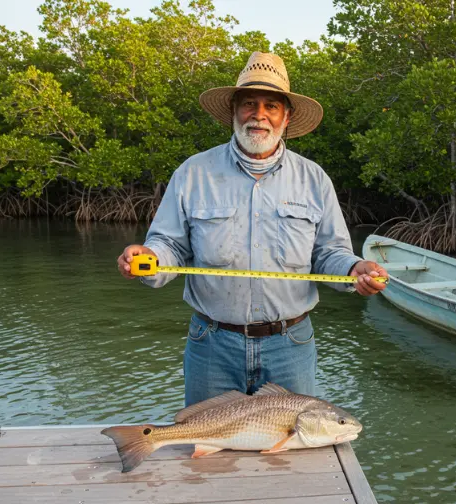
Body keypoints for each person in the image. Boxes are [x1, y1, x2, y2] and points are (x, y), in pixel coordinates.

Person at [117, 52, 388, 406]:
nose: (259, 115)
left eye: (271, 106)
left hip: (290, 345)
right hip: (211, 343)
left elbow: (328, 253)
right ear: (234, 111)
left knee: (291, 456)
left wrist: (355, 270)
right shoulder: (192, 173)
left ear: (285, 116)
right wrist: (147, 257)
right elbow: (169, 246)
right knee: (203, 454)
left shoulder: (314, 178)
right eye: (249, 104)